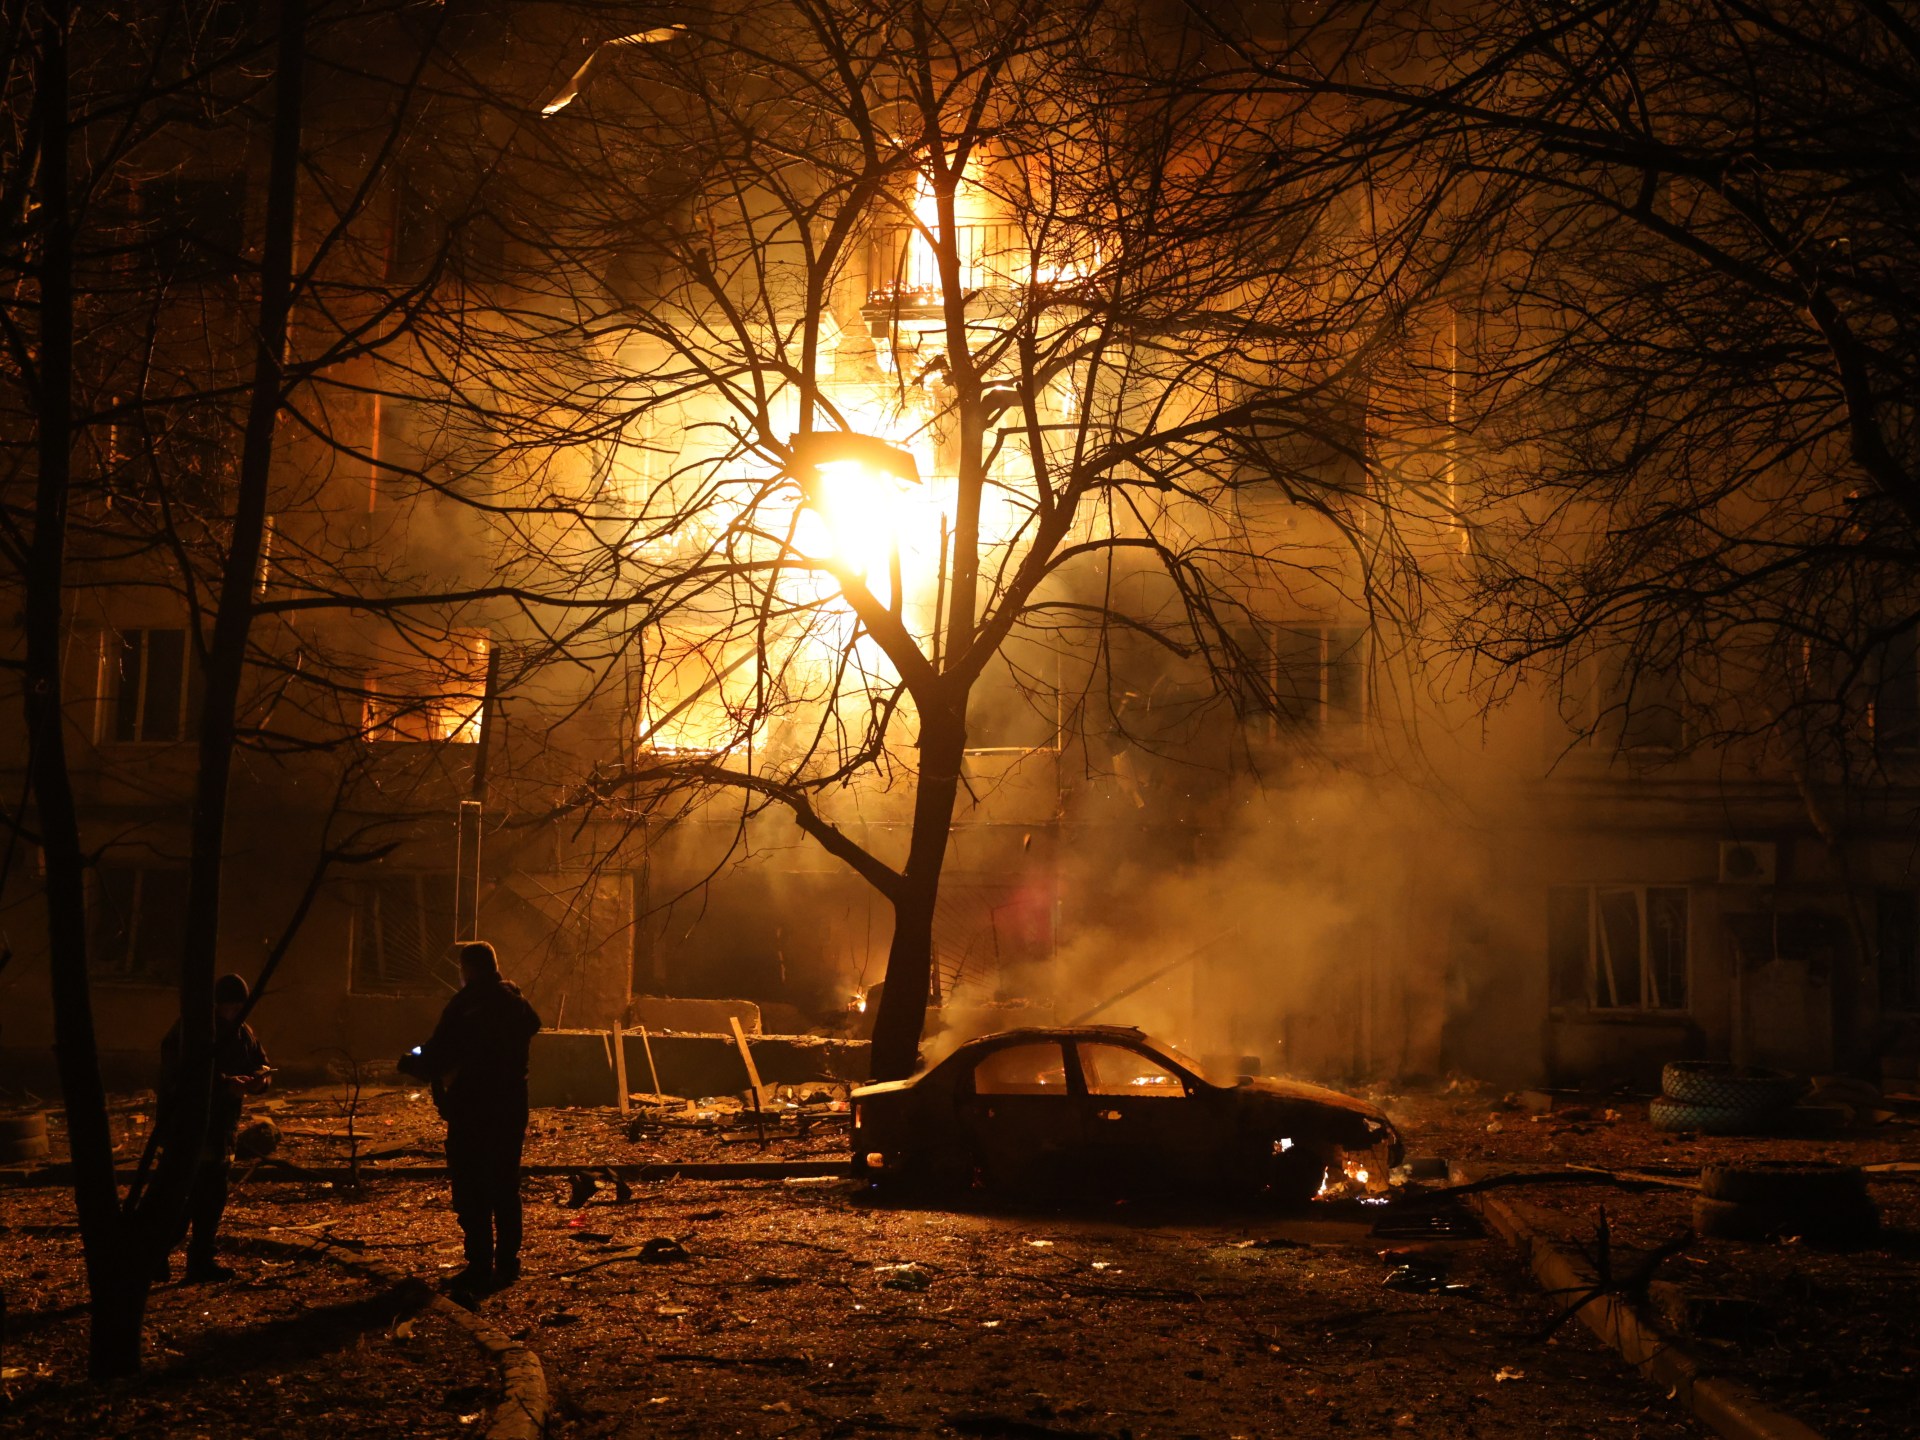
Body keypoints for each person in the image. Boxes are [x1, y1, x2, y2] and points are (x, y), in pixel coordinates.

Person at [399, 940, 542, 1297]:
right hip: (511, 1106)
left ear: (468, 969)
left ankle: (479, 1266)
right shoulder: (516, 1002)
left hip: (474, 1107)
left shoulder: (467, 1006)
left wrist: (411, 1063)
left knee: (473, 1186)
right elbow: (531, 1027)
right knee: (505, 1184)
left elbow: (438, 1055)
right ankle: (507, 1263)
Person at [156, 972, 272, 1283]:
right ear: (216, 1004)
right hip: (189, 1127)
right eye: (228, 1006)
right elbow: (182, 1075)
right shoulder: (192, 1030)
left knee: (212, 1199)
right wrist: (224, 1084)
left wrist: (260, 1080)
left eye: (238, 1007)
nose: (233, 1012)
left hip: (223, 1129)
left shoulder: (243, 1033)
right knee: (183, 1198)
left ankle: (201, 1261)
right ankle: (155, 1255)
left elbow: (259, 1062)